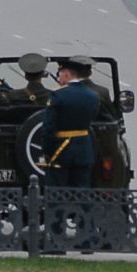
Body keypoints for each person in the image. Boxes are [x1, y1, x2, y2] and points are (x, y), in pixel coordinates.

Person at [40, 58, 101, 189]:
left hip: (60, 150)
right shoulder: (93, 96)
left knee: (57, 194)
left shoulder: (58, 95)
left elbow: (48, 128)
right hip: (84, 148)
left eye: (60, 73)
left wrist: (47, 152)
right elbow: (92, 119)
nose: (58, 77)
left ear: (67, 74)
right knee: (82, 190)